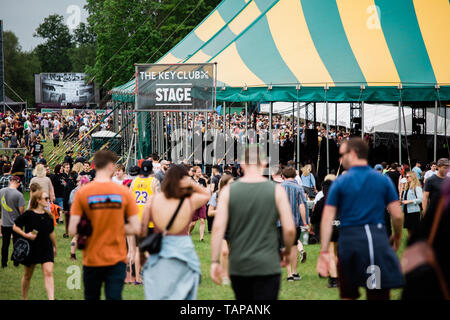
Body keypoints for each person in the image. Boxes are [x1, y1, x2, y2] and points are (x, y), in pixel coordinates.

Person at [317, 138, 404, 300]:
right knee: (376, 293)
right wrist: (397, 236)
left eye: (342, 154)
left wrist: (323, 251)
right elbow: (397, 215)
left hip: (349, 244)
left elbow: (327, 218)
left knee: (348, 295)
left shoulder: (340, 182)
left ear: (353, 154)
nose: (340, 159)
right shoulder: (382, 180)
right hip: (374, 244)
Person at [210, 145, 296, 300]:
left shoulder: (228, 191)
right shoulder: (277, 190)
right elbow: (289, 229)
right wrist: (288, 251)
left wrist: (215, 261)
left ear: (242, 164)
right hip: (268, 264)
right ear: (264, 163)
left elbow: (217, 228)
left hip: (239, 265)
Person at [69, 150, 140, 300]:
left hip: (92, 258)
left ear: (95, 165)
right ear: (110, 166)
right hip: (116, 258)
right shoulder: (123, 192)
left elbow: (72, 229)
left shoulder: (83, 192)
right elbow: (135, 226)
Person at [140, 164, 211, 300]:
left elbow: (142, 230)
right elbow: (206, 194)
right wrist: (191, 182)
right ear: (182, 180)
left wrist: (141, 253)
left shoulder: (153, 201)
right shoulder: (187, 201)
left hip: (159, 252)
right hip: (183, 251)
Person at [13, 191, 57, 300]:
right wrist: (25, 234)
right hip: (31, 248)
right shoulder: (28, 214)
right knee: (28, 276)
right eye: (46, 198)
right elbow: (15, 226)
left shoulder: (48, 216)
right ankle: (24, 298)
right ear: (38, 200)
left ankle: (51, 298)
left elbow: (51, 232)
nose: (48, 200)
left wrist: (55, 246)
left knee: (48, 272)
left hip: (46, 247)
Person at [128, 160, 160, 285]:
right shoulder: (154, 182)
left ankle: (138, 279)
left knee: (136, 249)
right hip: (149, 220)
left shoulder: (134, 181)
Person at [280, 167, 308, 282]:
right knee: (294, 246)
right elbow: (302, 206)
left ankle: (289, 274)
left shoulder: (279, 187)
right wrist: (305, 222)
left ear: (283, 176)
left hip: (281, 222)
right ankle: (295, 272)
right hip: (295, 222)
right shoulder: (299, 188)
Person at [207, 174, 234, 285]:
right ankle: (225, 276)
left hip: (234, 226)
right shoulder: (216, 195)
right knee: (224, 252)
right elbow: (209, 212)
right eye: (231, 183)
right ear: (224, 184)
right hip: (221, 226)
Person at [1, 176, 25, 268]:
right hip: (16, 224)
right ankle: (16, 262)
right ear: (18, 184)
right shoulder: (19, 195)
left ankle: (4, 263)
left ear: (10, 181)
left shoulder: (1, 191)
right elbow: (21, 211)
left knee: (5, 244)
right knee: (17, 244)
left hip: (5, 222)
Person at [401, 171, 423, 239]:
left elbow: (420, 199)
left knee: (414, 230)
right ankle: (410, 243)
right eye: (406, 177)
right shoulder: (406, 187)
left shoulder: (417, 187)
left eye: (407, 177)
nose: (406, 178)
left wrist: (408, 201)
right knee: (408, 229)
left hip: (414, 211)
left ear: (412, 177)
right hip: (406, 211)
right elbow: (405, 198)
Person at [189, 166, 207, 241]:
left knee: (202, 220)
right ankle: (188, 233)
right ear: (194, 172)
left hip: (202, 202)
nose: (200, 173)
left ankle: (201, 238)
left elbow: (205, 190)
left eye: (200, 172)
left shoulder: (203, 180)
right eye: (198, 172)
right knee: (193, 223)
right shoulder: (190, 180)